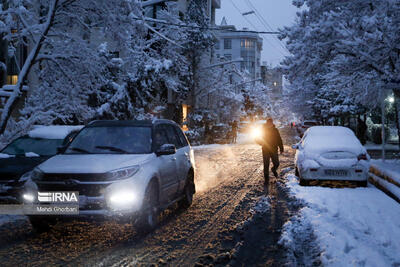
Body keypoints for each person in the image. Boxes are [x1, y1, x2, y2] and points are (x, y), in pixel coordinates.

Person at [255, 118, 284, 184]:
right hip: (265, 149)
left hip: (274, 149)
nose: (269, 124)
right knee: (266, 165)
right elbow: (256, 138)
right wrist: (261, 143)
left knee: (277, 163)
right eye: (268, 123)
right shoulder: (263, 130)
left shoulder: (275, 130)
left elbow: (279, 139)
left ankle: (273, 169)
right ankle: (266, 180)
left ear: (272, 123)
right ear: (267, 123)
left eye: (271, 123)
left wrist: (281, 148)